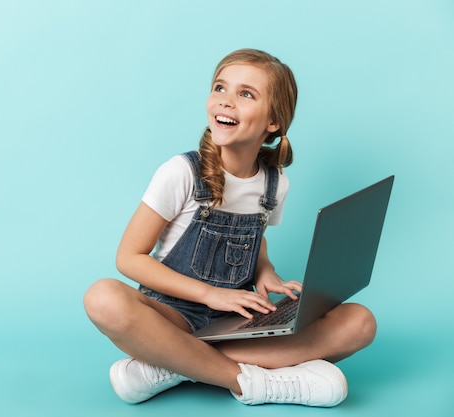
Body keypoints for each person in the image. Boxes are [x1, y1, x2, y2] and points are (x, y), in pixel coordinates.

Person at [83, 48, 376, 407]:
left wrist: (266, 271)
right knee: (103, 298)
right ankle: (251, 382)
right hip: (172, 316)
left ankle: (176, 364)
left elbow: (257, 239)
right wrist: (210, 295)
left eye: (246, 94)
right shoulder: (182, 172)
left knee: (360, 321)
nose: (226, 102)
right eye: (220, 88)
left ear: (273, 121)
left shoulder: (275, 183)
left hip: (234, 322)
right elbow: (129, 258)